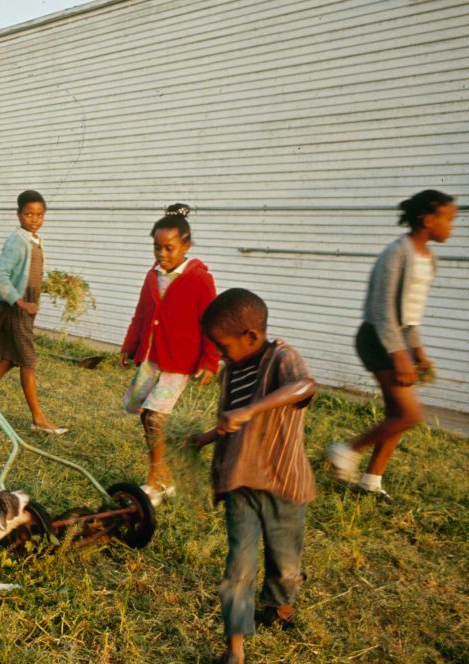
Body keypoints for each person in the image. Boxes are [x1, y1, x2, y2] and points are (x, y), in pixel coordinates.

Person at [193, 288, 317, 664]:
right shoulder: (232, 371)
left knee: (286, 564)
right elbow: (232, 422)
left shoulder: (283, 357)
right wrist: (205, 437)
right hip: (240, 482)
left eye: (222, 345)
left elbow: (305, 387)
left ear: (251, 336)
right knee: (239, 567)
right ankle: (235, 650)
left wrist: (251, 411)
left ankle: (280, 607)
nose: (218, 353)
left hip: (283, 482)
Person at [327, 190, 457, 501]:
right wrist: (399, 356)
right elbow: (383, 310)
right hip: (376, 338)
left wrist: (419, 353)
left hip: (396, 341)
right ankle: (345, 450)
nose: (451, 227)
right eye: (448, 219)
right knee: (409, 414)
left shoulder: (428, 260)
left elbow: (409, 317)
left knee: (397, 413)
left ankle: (371, 481)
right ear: (427, 219)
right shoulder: (396, 253)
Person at [119, 204, 219, 506]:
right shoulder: (152, 276)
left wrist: (210, 362)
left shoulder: (199, 279)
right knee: (145, 414)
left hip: (179, 362)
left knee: (155, 416)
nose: (162, 254)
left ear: (185, 246)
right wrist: (129, 345)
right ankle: (164, 474)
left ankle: (153, 480)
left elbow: (212, 323)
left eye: (169, 248)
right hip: (151, 358)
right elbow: (141, 314)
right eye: (157, 247)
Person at [0, 190, 66, 434]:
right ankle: (38, 418)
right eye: (28, 214)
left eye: (39, 214)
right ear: (18, 214)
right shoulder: (17, 240)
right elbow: (0, 275)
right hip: (16, 308)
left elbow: (27, 273)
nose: (34, 219)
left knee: (8, 360)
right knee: (28, 360)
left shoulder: (35, 239)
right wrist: (21, 302)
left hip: (25, 307)